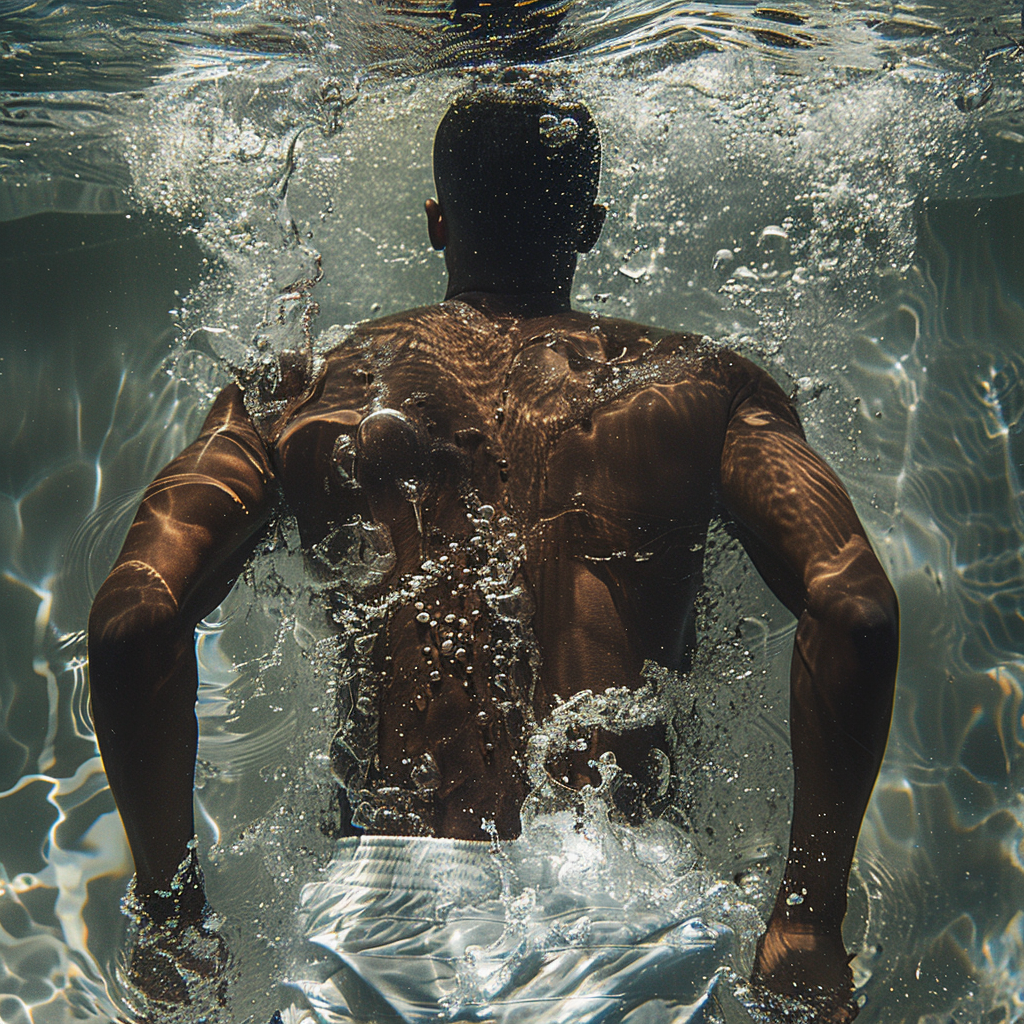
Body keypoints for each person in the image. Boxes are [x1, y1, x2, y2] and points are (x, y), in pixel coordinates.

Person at [88, 84, 899, 1023]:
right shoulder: (703, 388)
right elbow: (855, 611)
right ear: (591, 226)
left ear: (437, 221)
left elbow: (135, 621)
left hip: (376, 922)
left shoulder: (300, 397)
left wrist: (171, 912)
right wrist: (807, 920)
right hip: (622, 911)